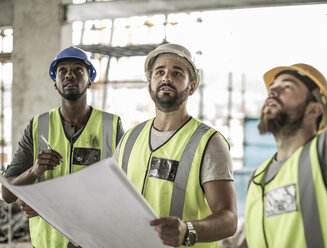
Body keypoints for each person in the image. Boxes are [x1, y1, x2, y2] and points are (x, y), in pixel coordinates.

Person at [245, 0, 327, 247]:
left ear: (314, 109)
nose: (272, 93)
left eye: (286, 87)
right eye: (272, 88)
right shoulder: (257, 179)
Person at [114, 43, 237, 247]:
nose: (166, 78)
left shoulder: (208, 142)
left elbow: (229, 220)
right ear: (149, 84)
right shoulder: (130, 139)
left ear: (191, 87)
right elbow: (113, 201)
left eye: (177, 73)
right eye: (159, 72)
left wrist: (187, 230)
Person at [1, 46, 124, 248]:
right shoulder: (37, 125)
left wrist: (45, 205)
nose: (70, 75)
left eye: (78, 70)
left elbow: (123, 193)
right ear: (55, 83)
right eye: (62, 70)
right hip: (47, 244)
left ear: (90, 79)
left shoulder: (111, 126)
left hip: (93, 241)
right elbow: (7, 193)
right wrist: (33, 171)